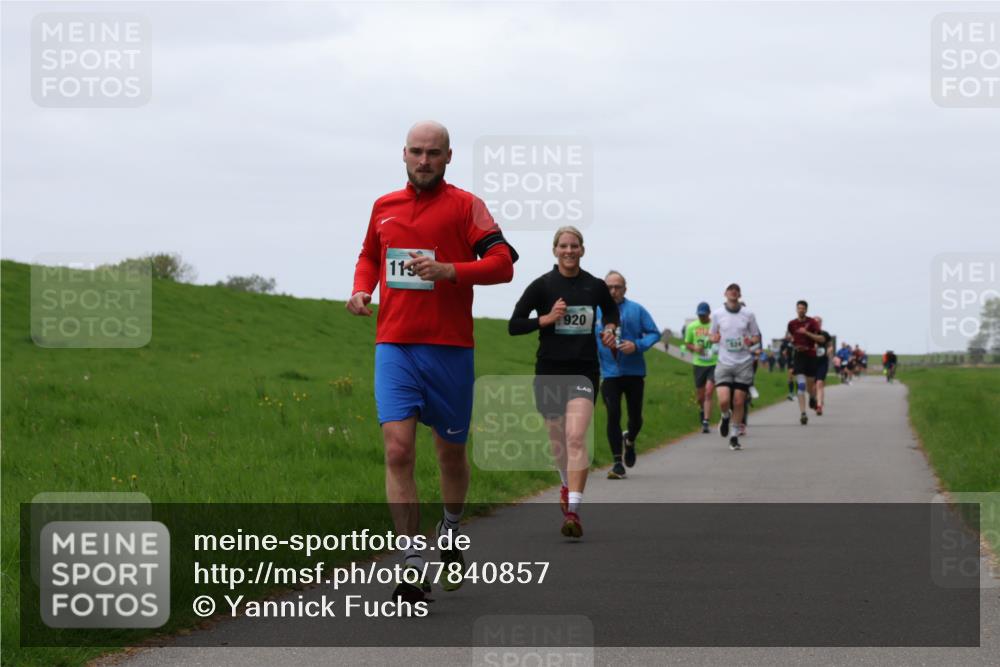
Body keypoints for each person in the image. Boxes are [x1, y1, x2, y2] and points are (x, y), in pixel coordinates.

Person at [348, 121, 517, 603]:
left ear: (448, 157)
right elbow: (369, 257)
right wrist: (362, 288)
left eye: (434, 153)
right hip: (395, 345)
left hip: (450, 349)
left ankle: (450, 526)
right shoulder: (384, 207)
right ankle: (411, 561)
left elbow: (503, 264)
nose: (424, 161)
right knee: (398, 450)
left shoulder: (466, 206)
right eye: (417, 152)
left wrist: (451, 271)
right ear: (403, 154)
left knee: (449, 453)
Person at [509, 226, 618, 538]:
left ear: (582, 250)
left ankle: (574, 509)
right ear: (555, 250)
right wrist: (545, 319)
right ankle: (566, 483)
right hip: (549, 371)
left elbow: (611, 312)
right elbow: (514, 325)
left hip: (584, 371)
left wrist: (610, 328)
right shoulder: (542, 286)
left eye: (574, 246)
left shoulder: (595, 286)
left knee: (575, 437)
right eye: (563, 246)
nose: (569, 251)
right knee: (558, 441)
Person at [595, 271, 660, 479]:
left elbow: (654, 333)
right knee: (613, 414)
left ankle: (630, 440)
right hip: (609, 373)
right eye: (609, 287)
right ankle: (617, 463)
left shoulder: (636, 309)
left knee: (635, 419)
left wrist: (637, 345)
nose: (613, 291)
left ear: (625, 288)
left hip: (634, 372)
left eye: (618, 287)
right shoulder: (596, 312)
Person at [708, 284, 761, 451]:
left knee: (739, 401)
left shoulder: (748, 314)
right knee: (724, 400)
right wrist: (714, 338)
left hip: (743, 362)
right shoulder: (717, 314)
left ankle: (734, 436)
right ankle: (725, 416)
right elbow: (711, 335)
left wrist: (751, 341)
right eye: (730, 290)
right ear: (725, 294)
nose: (733, 292)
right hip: (724, 362)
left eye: (736, 290)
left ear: (739, 295)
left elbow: (756, 336)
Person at [785, 300, 824, 425]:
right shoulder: (791, 324)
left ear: (806, 310)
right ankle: (803, 413)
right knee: (801, 386)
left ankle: (812, 397)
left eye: (803, 308)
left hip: (811, 356)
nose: (801, 310)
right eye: (799, 308)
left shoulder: (812, 322)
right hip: (799, 356)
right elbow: (791, 337)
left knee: (809, 386)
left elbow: (820, 338)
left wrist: (806, 333)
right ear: (796, 309)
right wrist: (793, 342)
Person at [684, 302, 717, 434]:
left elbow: (720, 339)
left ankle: (706, 421)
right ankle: (702, 411)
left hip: (713, 363)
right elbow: (687, 344)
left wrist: (715, 342)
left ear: (709, 313)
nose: (702, 317)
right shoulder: (692, 326)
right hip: (699, 364)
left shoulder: (715, 325)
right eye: (700, 315)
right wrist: (694, 348)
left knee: (709, 391)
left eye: (704, 315)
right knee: (700, 396)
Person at [812, 317, 833, 416]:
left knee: (819, 383)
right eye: (815, 322)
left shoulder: (825, 334)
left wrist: (829, 350)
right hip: (811, 362)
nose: (817, 324)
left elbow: (830, 345)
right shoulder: (808, 334)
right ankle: (816, 400)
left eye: (819, 322)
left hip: (822, 362)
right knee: (813, 387)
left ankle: (819, 406)